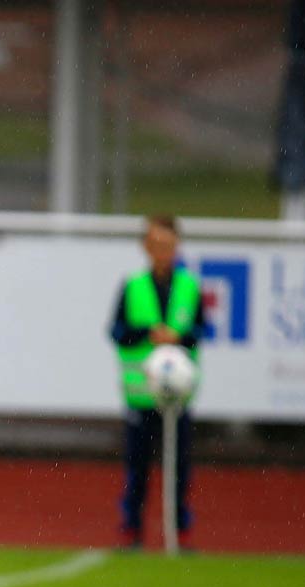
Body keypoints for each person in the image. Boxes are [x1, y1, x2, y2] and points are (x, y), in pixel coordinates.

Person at [111, 215, 206, 550]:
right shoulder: (133, 286)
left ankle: (178, 533)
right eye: (156, 245)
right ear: (146, 247)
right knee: (137, 467)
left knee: (179, 467)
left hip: (177, 396)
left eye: (168, 245)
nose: (163, 251)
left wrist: (179, 336)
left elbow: (202, 330)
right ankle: (132, 531)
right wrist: (148, 334)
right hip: (141, 393)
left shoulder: (189, 288)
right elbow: (117, 331)